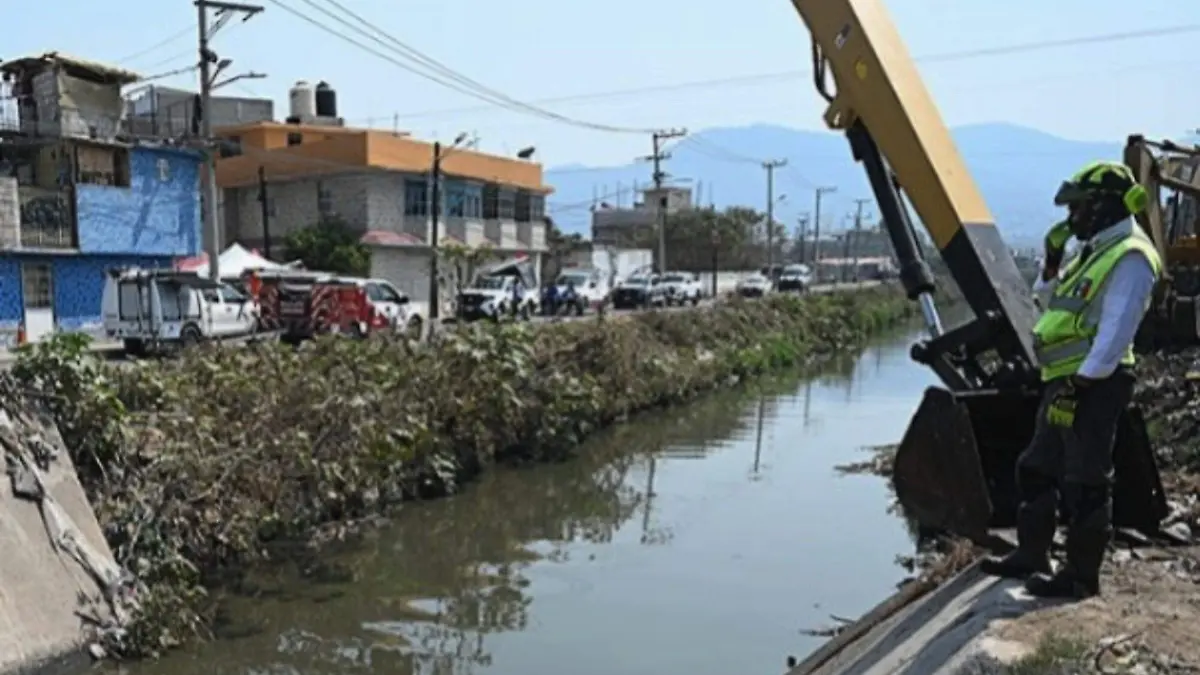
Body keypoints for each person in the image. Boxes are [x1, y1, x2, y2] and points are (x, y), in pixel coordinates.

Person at [980, 160, 1162, 599]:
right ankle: (1032, 553)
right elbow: (1048, 301)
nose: (1071, 219)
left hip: (1093, 384)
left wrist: (1083, 383)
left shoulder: (1131, 256)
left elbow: (1118, 331)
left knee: (1085, 479)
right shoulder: (1091, 251)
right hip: (1065, 380)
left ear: (1103, 207)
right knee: (1038, 467)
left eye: (1078, 209)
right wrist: (1051, 263)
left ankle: (1080, 577)